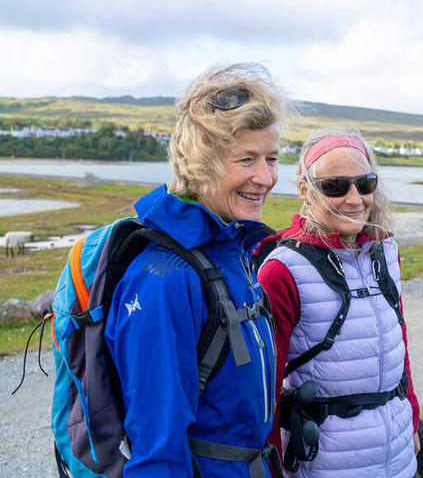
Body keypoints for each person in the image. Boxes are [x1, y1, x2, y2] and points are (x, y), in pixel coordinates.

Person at [104, 63, 290, 477]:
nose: (265, 177)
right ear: (202, 163)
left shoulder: (233, 251)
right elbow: (157, 453)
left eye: (272, 158)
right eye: (247, 159)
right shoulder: (167, 280)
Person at [257, 127, 421, 477]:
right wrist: (271, 466)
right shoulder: (282, 270)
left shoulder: (384, 252)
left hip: (398, 455)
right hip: (325, 463)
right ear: (305, 190)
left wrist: (413, 419)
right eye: (335, 186)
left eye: (365, 184)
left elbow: (397, 343)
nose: (354, 199)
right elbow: (265, 389)